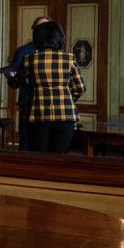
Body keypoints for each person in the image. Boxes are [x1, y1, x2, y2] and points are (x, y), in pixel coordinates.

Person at [0, 16, 50, 150]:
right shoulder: (24, 51)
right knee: (26, 144)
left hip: (50, 106)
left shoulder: (58, 54)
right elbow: (14, 78)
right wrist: (10, 76)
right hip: (27, 103)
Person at [19, 20, 85, 154]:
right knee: (59, 159)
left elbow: (16, 83)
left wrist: (11, 77)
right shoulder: (69, 59)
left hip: (37, 116)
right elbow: (80, 89)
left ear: (37, 38)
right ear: (59, 38)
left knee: (39, 158)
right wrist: (66, 98)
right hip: (65, 116)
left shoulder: (29, 59)